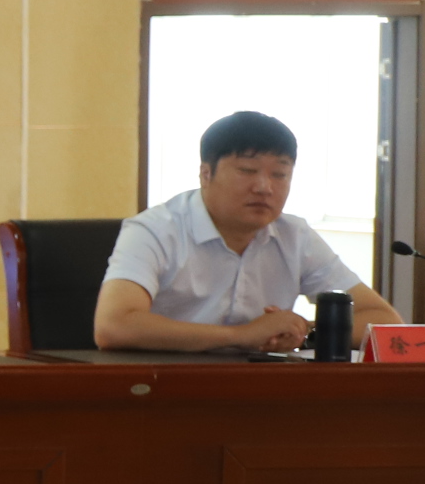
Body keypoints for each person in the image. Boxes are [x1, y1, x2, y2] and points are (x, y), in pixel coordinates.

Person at [95, 109, 402, 353]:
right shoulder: (155, 231)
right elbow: (114, 326)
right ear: (205, 174)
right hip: (163, 384)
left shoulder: (294, 236)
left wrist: (299, 331)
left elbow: (384, 321)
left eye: (279, 174)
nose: (264, 187)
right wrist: (242, 335)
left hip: (259, 386)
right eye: (247, 171)